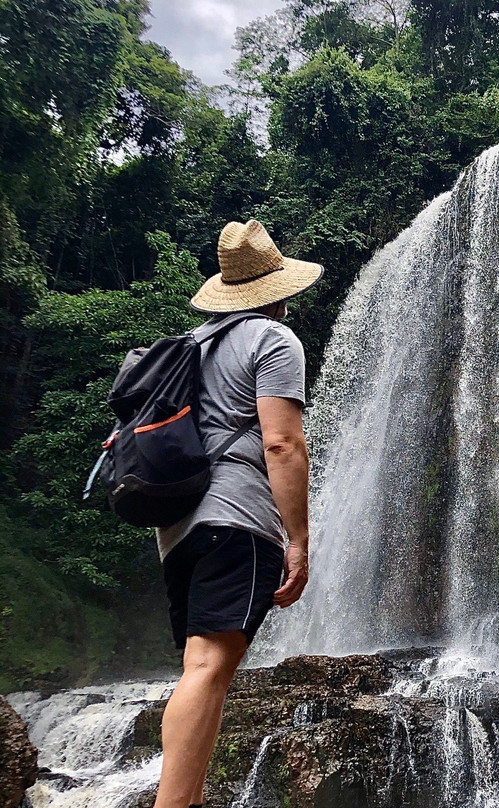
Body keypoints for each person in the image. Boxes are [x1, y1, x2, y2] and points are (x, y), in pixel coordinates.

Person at [152, 220, 323, 808]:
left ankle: (186, 798)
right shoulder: (274, 341)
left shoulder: (189, 345)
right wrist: (297, 539)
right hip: (237, 520)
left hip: (176, 528)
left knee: (198, 669)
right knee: (209, 670)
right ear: (277, 289)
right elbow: (282, 444)